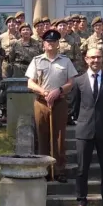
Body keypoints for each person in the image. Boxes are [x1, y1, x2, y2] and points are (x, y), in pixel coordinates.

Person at [26, 29, 78, 183]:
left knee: (59, 136)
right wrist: (44, 92)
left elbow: (71, 82)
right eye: (48, 41)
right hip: (41, 103)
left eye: (54, 41)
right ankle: (45, 170)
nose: (51, 43)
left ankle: (60, 170)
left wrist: (59, 91)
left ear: (58, 44)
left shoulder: (65, 61)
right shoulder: (36, 60)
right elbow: (30, 83)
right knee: (42, 136)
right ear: (44, 44)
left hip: (60, 102)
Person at [71, 47, 103, 206]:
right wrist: (84, 120)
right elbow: (75, 107)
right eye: (92, 57)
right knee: (82, 169)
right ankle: (81, 201)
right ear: (86, 59)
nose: (95, 60)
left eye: (98, 57)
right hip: (84, 130)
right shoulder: (78, 81)